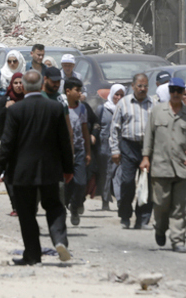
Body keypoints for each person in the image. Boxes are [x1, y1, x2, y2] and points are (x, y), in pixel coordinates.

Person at [0, 69, 73, 265]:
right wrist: (68, 168)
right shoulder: (55, 108)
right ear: (40, 85)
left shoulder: (15, 110)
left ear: (25, 87)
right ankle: (60, 240)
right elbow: (65, 141)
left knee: (27, 213)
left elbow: (7, 142)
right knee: (55, 206)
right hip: (50, 169)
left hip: (22, 172)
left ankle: (33, 255)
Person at [141, 77, 186, 252]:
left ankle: (177, 240)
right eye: (173, 90)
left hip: (183, 167)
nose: (175, 94)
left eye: (179, 91)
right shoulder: (157, 112)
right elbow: (149, 136)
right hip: (161, 167)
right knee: (161, 205)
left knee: (181, 207)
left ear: (183, 93)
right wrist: (145, 157)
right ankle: (160, 228)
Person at [110, 72, 153, 229]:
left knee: (147, 184)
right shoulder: (124, 103)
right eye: (139, 86)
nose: (142, 89)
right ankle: (125, 216)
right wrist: (115, 150)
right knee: (127, 183)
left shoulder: (153, 103)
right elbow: (114, 128)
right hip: (128, 146)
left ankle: (143, 218)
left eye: (145, 86)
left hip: (148, 148)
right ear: (133, 86)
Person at [0, 72, 25, 213]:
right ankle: (16, 206)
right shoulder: (5, 99)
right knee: (9, 174)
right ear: (11, 84)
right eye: (15, 83)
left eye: (20, 82)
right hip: (9, 141)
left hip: (25, 142)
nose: (18, 86)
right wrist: (5, 108)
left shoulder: (27, 99)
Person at [63, 77, 91, 226]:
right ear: (68, 91)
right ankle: (68, 204)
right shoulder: (60, 107)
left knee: (81, 183)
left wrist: (88, 152)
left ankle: (75, 206)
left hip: (79, 150)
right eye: (77, 90)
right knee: (66, 183)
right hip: (64, 151)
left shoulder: (82, 108)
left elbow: (85, 130)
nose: (80, 93)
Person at [96, 83, 126, 211]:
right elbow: (96, 126)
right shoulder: (102, 109)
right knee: (106, 174)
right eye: (116, 95)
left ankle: (120, 200)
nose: (118, 97)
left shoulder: (126, 110)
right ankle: (105, 200)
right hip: (104, 147)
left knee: (118, 173)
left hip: (121, 146)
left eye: (121, 95)